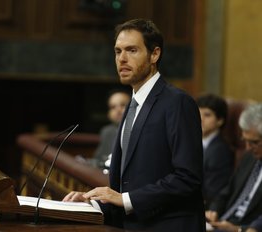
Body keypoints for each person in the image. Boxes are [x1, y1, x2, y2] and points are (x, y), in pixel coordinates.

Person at [63, 18, 205, 231]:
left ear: (154, 54)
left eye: (131, 50)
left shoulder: (177, 102)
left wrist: (126, 199)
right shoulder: (132, 104)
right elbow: (126, 184)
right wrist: (92, 204)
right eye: (118, 51)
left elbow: (188, 178)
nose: (122, 59)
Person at [206, 103, 262, 232]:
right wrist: (214, 210)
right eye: (245, 140)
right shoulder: (250, 157)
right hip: (223, 221)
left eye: (254, 142)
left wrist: (238, 229)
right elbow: (228, 190)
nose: (247, 148)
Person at [196, 93, 235, 208]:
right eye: (197, 113)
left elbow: (213, 193)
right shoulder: (190, 142)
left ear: (220, 121)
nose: (200, 119)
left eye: (207, 115)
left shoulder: (220, 151)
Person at [88, 89, 131, 169]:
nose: (118, 110)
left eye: (123, 105)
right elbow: (99, 159)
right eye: (113, 107)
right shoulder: (106, 131)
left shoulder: (140, 131)